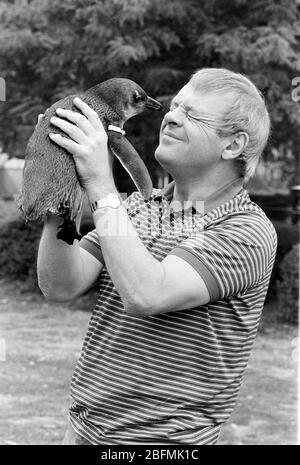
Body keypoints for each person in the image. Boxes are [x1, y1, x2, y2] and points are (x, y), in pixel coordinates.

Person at [37, 68, 277, 445]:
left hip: (165, 443)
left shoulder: (245, 230)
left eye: (193, 114)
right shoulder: (136, 209)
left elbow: (148, 294)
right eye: (176, 105)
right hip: (83, 430)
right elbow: (61, 284)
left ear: (232, 146)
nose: (171, 114)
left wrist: (100, 183)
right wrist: (61, 188)